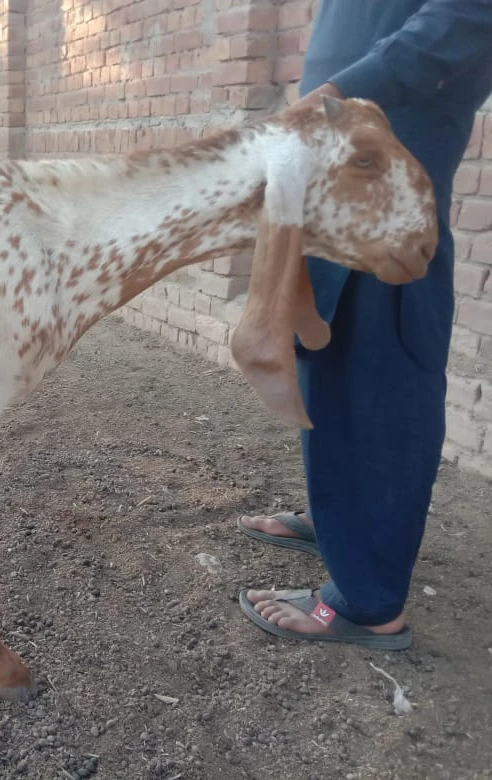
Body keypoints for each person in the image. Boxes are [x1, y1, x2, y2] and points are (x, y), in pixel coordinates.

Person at [238, 0, 492, 649]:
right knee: (328, 350)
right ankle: (341, 517)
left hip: (384, 166)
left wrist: (347, 88)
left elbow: (466, 16)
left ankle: (368, 602)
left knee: (383, 365)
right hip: (336, 156)